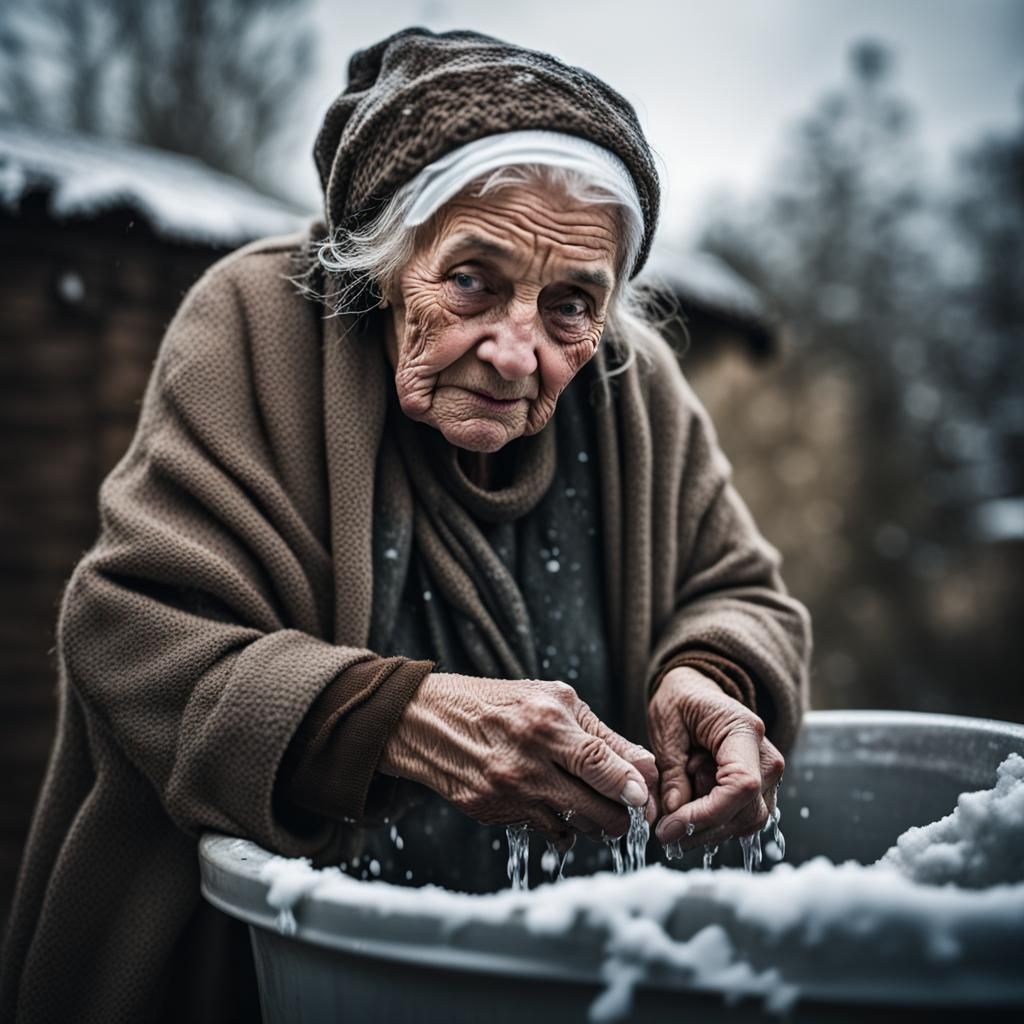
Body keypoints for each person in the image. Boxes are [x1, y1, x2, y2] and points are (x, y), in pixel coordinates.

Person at [0, 27, 810, 1024]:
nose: (517, 353)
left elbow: (740, 589)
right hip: (282, 967)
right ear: (385, 258)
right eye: (472, 280)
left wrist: (712, 676)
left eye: (570, 303)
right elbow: (127, 632)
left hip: (580, 972)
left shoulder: (630, 384)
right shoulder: (256, 326)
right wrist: (400, 721)